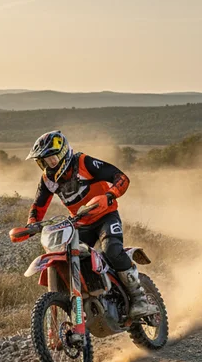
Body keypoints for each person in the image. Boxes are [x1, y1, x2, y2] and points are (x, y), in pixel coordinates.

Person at [25, 130, 155, 318]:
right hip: (80, 223)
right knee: (66, 256)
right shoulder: (48, 179)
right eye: (44, 161)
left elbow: (121, 178)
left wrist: (109, 196)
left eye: (52, 158)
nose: (49, 164)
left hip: (106, 216)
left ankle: (139, 299)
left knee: (111, 250)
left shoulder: (83, 162)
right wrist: (30, 225)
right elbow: (38, 206)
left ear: (62, 153)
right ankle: (82, 304)